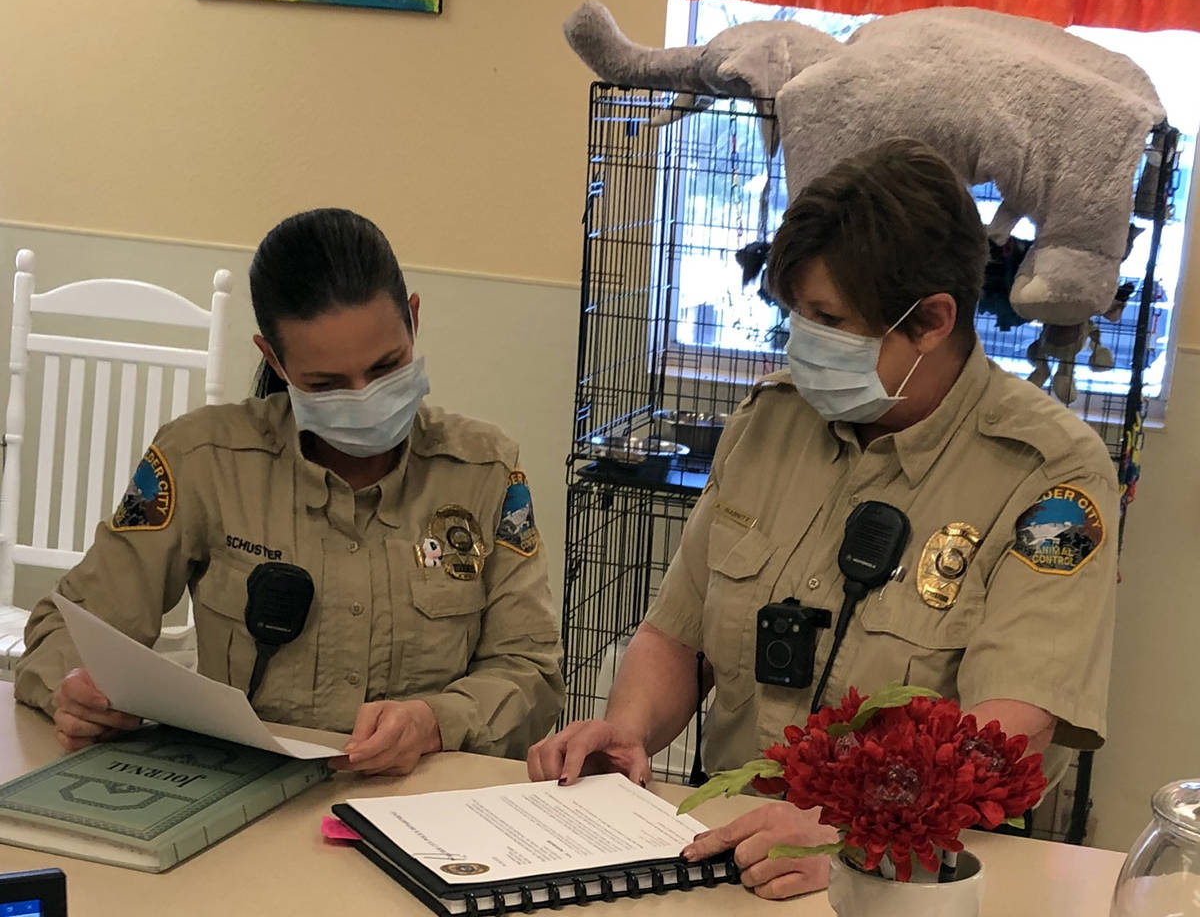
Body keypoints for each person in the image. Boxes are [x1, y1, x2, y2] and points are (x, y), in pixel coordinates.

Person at [527, 139, 1118, 898]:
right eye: (795, 313)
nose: (798, 340)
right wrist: (629, 728)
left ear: (933, 319)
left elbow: (1011, 728)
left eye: (826, 318)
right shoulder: (771, 420)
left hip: (921, 880)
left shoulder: (1053, 473)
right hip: (731, 856)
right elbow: (676, 635)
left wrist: (847, 833)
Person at [16, 208, 565, 775]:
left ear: (414, 321)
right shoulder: (204, 459)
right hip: (242, 796)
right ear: (274, 359)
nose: (362, 398)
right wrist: (74, 689)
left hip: (423, 804)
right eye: (324, 385)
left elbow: (531, 671)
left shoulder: (483, 470)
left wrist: (436, 720)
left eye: (386, 368)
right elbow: (71, 627)